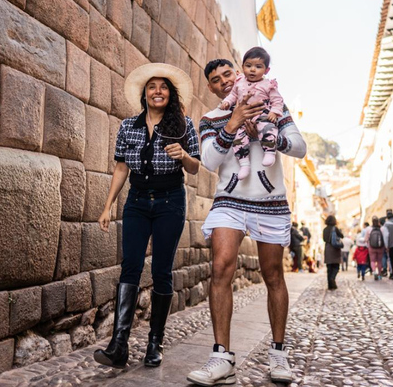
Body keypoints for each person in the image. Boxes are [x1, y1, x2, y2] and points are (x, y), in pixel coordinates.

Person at [186, 59, 306, 386]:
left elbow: (300, 148)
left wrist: (273, 140)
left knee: (273, 274)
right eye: (216, 79)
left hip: (270, 203)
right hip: (229, 201)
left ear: (237, 74)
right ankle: (221, 357)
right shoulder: (210, 119)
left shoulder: (272, 104)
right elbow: (209, 161)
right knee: (221, 266)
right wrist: (232, 124)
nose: (224, 81)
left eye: (227, 74)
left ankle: (278, 353)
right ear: (211, 87)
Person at [94, 63, 201, 369]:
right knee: (130, 266)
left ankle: (156, 342)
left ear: (170, 94)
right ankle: (119, 345)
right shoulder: (128, 126)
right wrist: (108, 205)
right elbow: (121, 167)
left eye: (163, 87)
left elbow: (195, 167)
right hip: (137, 201)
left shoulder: (184, 125)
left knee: (162, 271)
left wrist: (184, 155)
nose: (158, 91)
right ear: (144, 94)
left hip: (170, 201)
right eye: (152, 87)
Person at [218, 47, 285, 179]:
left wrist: (274, 112)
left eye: (258, 67)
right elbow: (233, 96)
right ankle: (244, 164)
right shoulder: (239, 82)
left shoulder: (268, 85)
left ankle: (269, 152)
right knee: (238, 138)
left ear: (266, 70)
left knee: (268, 129)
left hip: (262, 115)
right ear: (243, 66)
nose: (252, 70)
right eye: (248, 66)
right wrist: (226, 102)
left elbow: (277, 100)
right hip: (244, 118)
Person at [323, 216, 344, 290]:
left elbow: (324, 239)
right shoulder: (335, 228)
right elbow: (342, 236)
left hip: (327, 248)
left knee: (329, 268)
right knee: (336, 267)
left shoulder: (325, 229)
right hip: (335, 249)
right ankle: (332, 279)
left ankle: (330, 285)